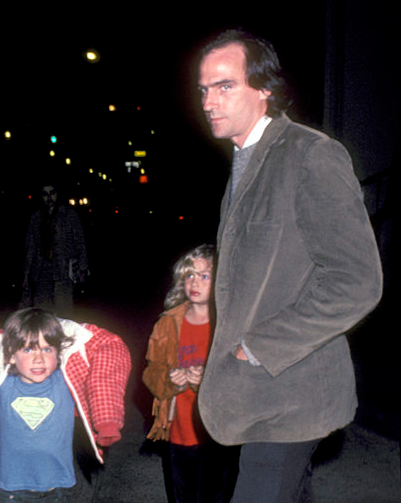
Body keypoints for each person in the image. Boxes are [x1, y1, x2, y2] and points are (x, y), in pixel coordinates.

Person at [195, 29, 383, 502]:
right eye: (204, 89)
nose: (209, 102)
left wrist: (256, 347)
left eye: (224, 86)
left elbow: (357, 281)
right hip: (257, 396)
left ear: (264, 88)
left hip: (292, 397)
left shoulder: (310, 154)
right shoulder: (245, 160)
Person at [0, 308, 131, 503]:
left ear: (59, 353)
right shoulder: (2, 385)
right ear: (11, 355)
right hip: (10, 491)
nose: (39, 359)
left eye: (47, 349)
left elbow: (104, 347)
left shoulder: (66, 383)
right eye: (27, 349)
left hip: (59, 489)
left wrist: (107, 422)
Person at [143, 244, 237, 503]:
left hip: (218, 433)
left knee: (215, 495)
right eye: (189, 275)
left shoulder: (228, 326)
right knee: (181, 496)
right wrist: (169, 379)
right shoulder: (168, 322)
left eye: (205, 276)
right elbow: (151, 372)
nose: (195, 282)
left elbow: (241, 378)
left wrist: (206, 381)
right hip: (179, 432)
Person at [21, 182, 88, 318]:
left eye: (52, 193)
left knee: (64, 310)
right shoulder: (36, 217)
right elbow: (31, 246)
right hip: (41, 270)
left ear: (57, 194)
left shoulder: (69, 214)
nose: (49, 197)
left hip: (64, 269)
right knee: (42, 311)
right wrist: (26, 274)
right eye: (45, 194)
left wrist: (82, 268)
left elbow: (79, 241)